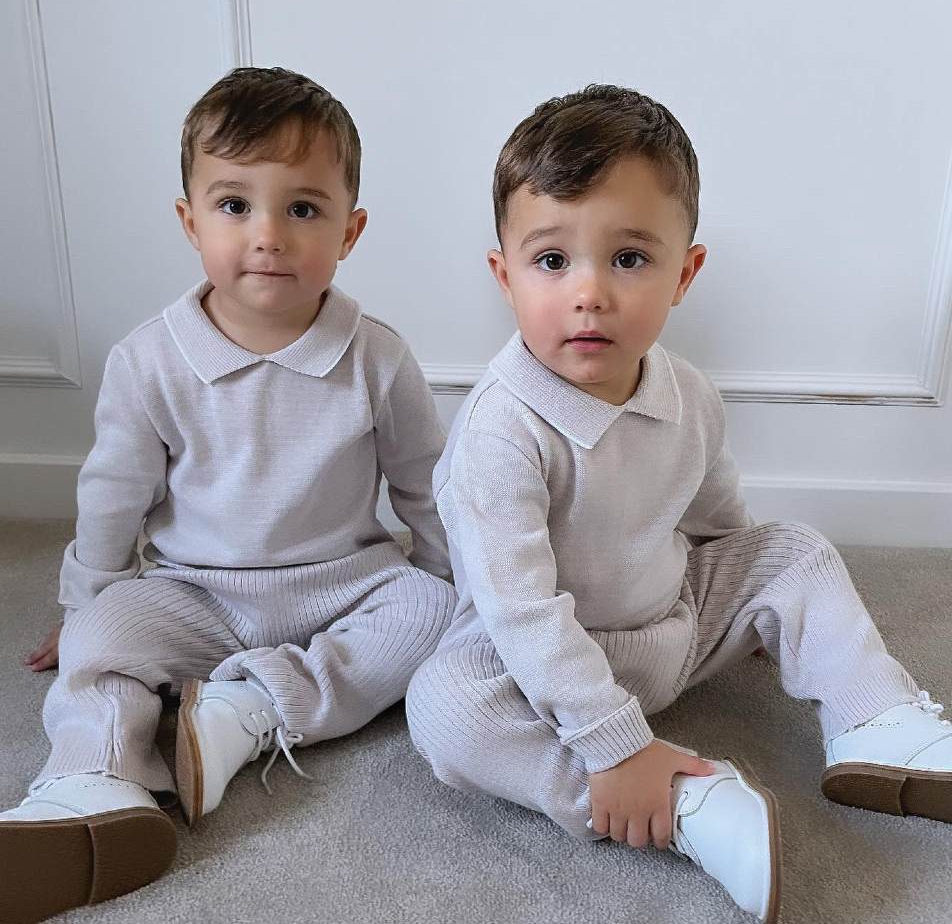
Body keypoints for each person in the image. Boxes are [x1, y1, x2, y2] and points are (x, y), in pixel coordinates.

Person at [404, 84, 951, 924]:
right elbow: (521, 613)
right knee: (443, 708)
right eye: (553, 261)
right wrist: (615, 744)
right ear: (504, 275)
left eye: (629, 259)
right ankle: (675, 804)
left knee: (796, 550)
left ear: (684, 272)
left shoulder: (687, 393)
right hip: (537, 663)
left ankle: (873, 719)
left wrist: (762, 615)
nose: (590, 292)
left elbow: (715, 512)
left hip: (673, 623)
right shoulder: (498, 434)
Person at [0, 66, 456, 924]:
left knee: (429, 613)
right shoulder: (150, 359)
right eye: (234, 206)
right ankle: (92, 783)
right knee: (101, 647)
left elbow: (425, 489)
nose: (268, 235)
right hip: (196, 592)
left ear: (351, 230)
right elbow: (113, 498)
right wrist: (87, 602)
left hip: (342, 583)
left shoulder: (377, 358)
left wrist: (461, 590)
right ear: (190, 222)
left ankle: (244, 711)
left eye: (303, 209)